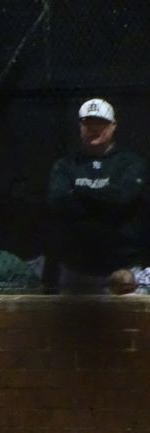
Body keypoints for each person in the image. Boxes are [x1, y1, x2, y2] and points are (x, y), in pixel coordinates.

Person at [47, 98, 149, 293]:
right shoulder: (66, 165)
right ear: (80, 127)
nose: (94, 129)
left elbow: (123, 199)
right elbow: (58, 203)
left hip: (122, 271)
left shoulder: (131, 163)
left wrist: (79, 192)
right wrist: (105, 199)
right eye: (88, 123)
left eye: (100, 123)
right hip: (76, 270)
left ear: (113, 126)